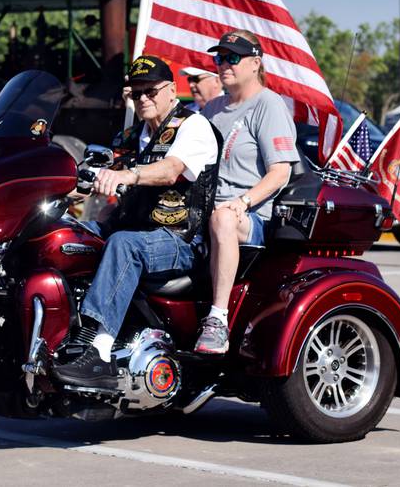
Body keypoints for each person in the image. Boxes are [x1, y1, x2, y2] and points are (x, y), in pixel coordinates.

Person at [53, 55, 220, 388]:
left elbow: (171, 169)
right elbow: (98, 180)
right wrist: (58, 190)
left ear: (172, 90)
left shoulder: (192, 126)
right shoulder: (132, 136)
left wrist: (128, 175)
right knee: (66, 236)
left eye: (151, 90)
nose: (143, 98)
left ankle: (98, 352)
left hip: (178, 240)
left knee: (123, 244)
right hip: (133, 230)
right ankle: (55, 336)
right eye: (136, 92)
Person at [196, 30, 300, 354]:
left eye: (232, 57)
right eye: (219, 57)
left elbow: (280, 172)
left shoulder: (269, 105)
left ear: (255, 63)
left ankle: (217, 321)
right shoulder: (211, 109)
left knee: (222, 220)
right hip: (202, 207)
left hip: (250, 217)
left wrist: (242, 202)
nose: (223, 63)